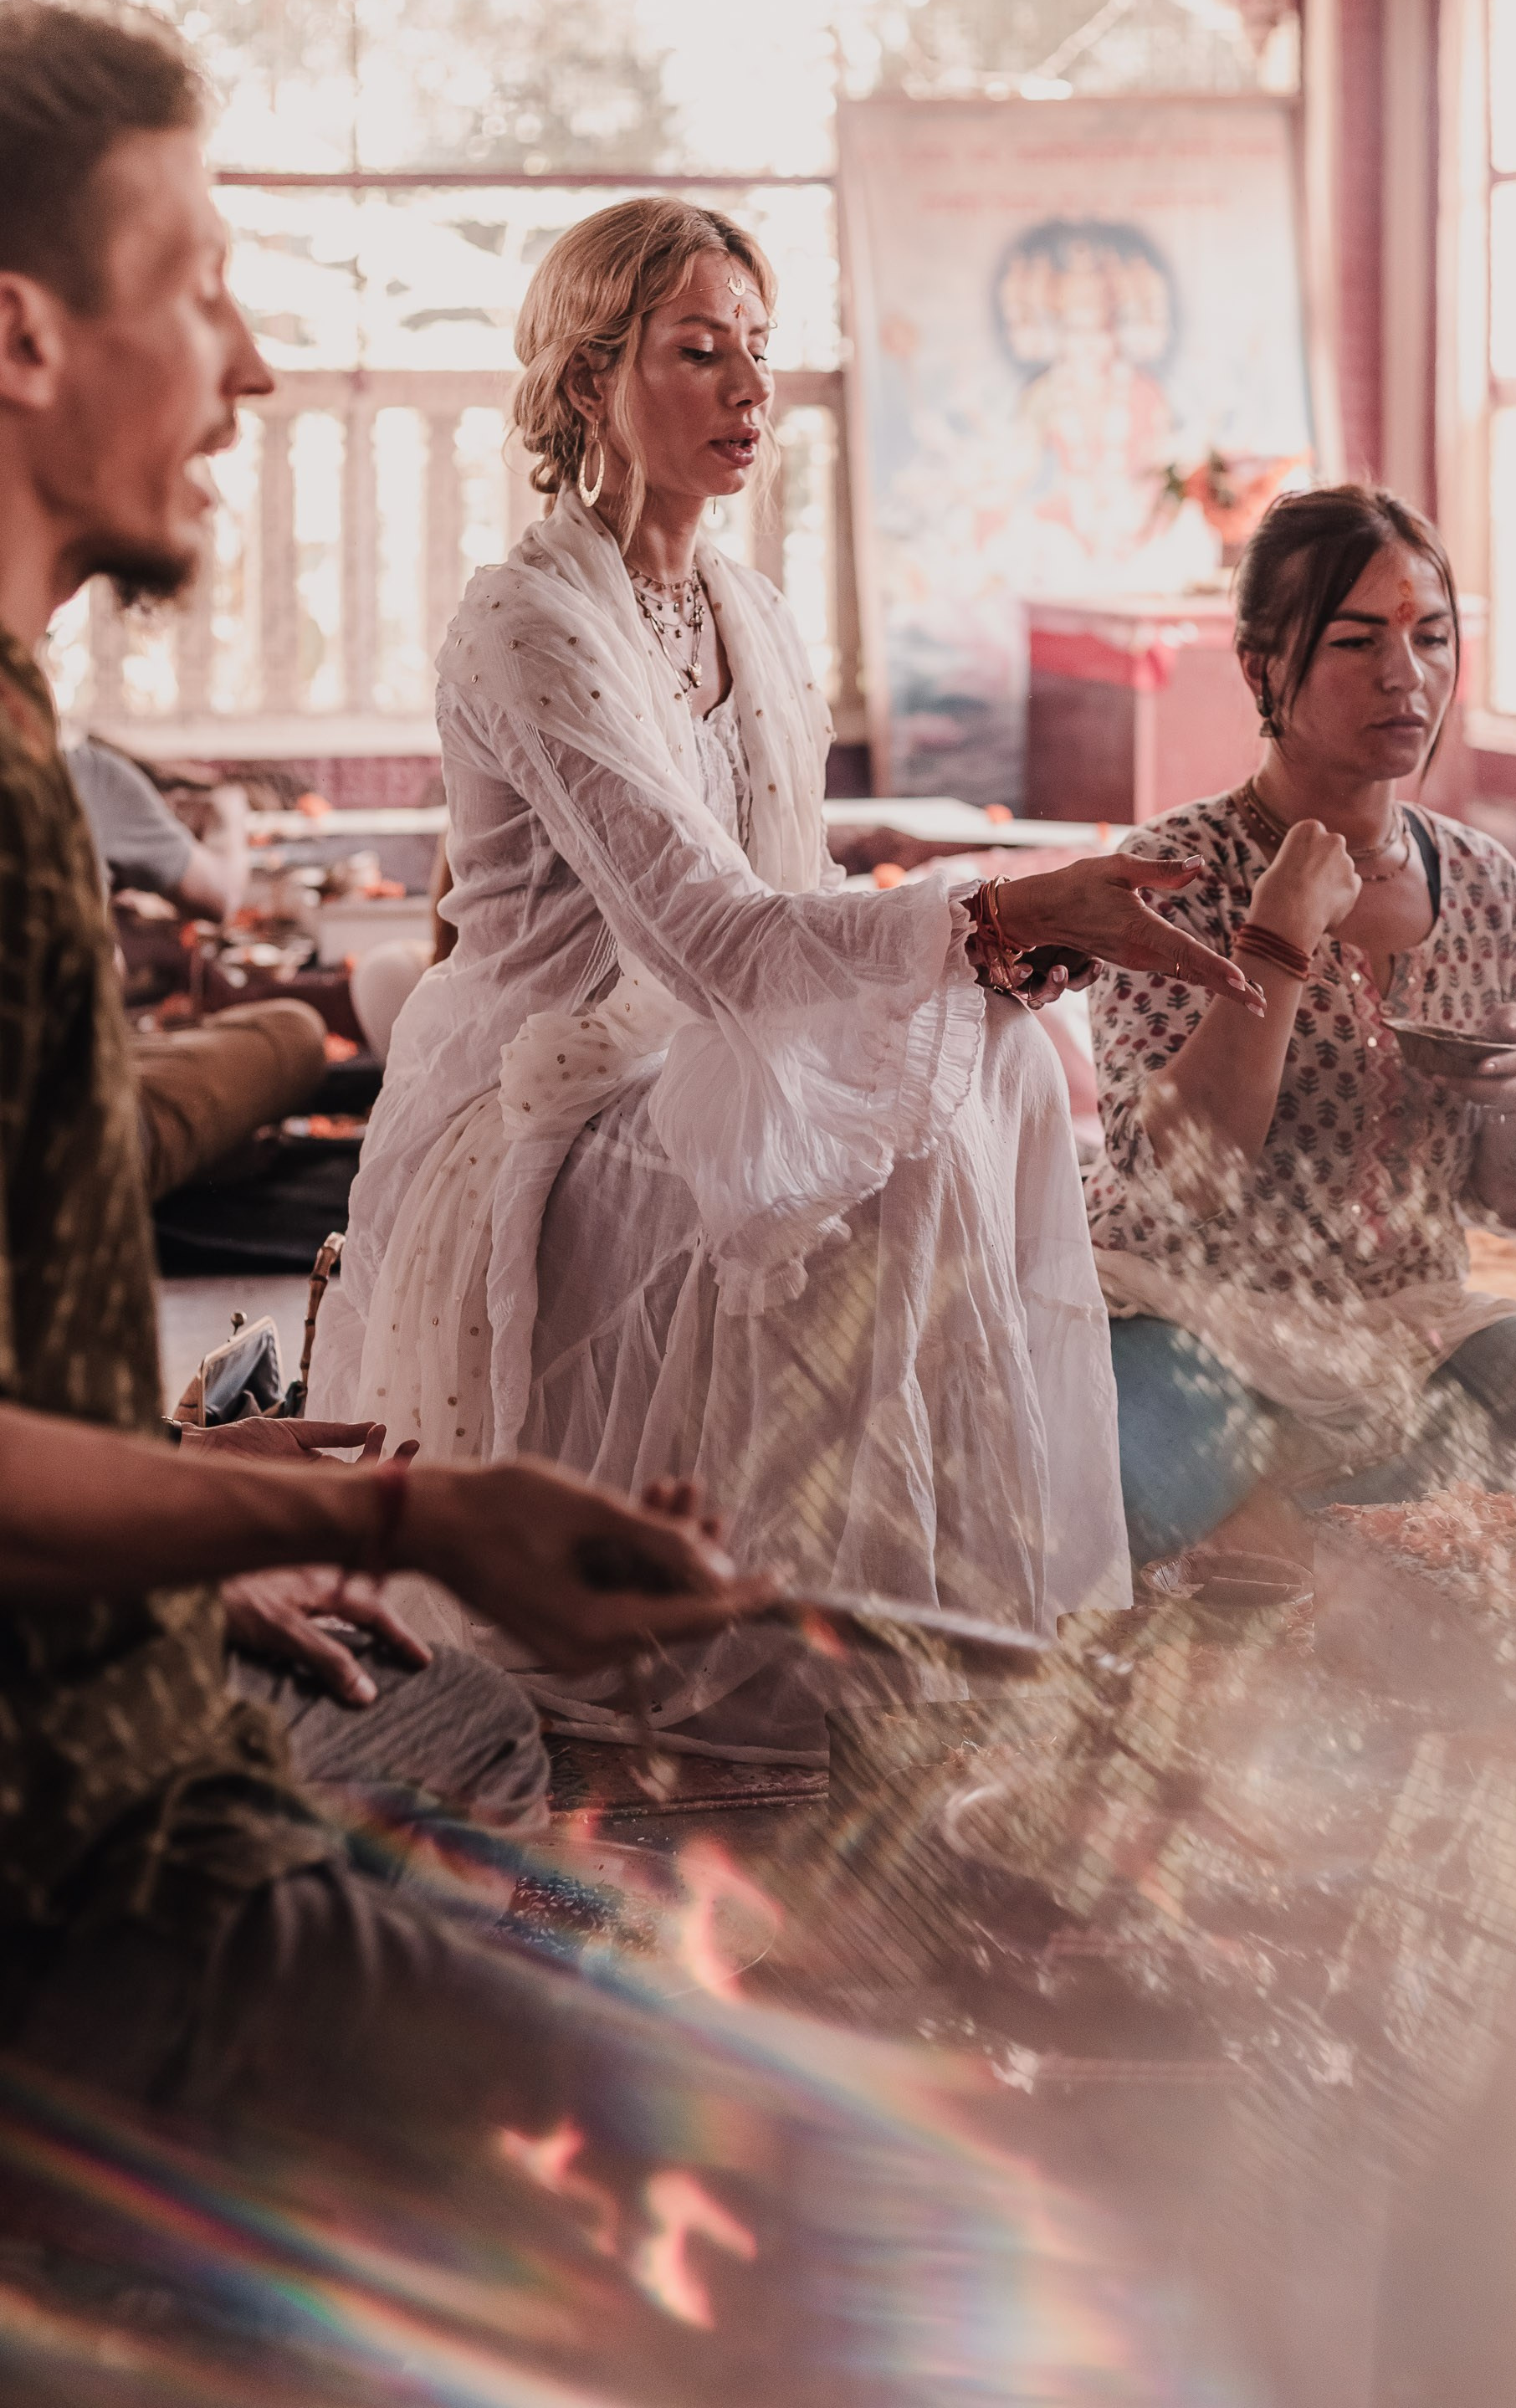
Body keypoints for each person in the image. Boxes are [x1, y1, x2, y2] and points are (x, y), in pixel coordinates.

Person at [0, 0, 776, 2149]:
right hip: (80, 1861)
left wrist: (193, 1498)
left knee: (474, 1729)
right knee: (736, 2155)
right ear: (22, 337)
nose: (249, 369)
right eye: (201, 287)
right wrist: (394, 1500)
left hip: (122, 1729)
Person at [310, 195, 1266, 1762]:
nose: (751, 391)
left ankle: (919, 1604)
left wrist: (1002, 950)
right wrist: (990, 906)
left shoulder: (746, 608)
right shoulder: (527, 619)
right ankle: (806, 1624)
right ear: (583, 385)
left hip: (713, 1032)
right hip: (541, 1088)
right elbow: (713, 938)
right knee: (855, 1167)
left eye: (758, 350)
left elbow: (798, 897)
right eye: (699, 352)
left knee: (992, 1074)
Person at [1085, 482, 1516, 1564]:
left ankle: (1336, 1508)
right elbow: (1172, 1174)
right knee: (1108, 1510)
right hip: (1192, 1323)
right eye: (1357, 640)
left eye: (1433, 637)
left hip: (1410, 1337)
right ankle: (1337, 1511)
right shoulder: (1171, 873)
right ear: (1263, 668)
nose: (1406, 675)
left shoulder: (1488, 886)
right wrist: (1273, 936)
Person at [66, 730, 330, 1194]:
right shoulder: (81, 772)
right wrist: (228, 813)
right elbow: (221, 895)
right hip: (70, 1145)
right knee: (296, 1030)